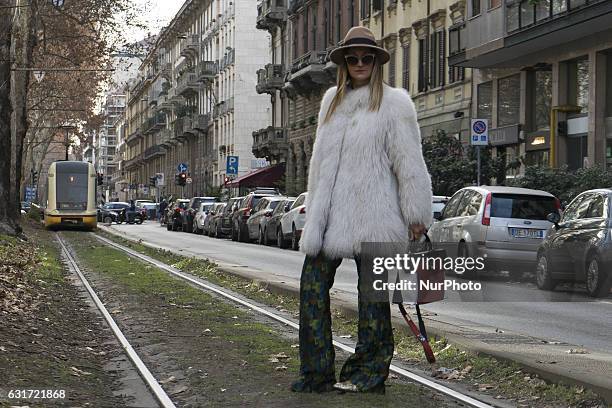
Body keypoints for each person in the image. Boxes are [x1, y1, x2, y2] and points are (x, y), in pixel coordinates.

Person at [291, 26, 433, 394]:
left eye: (365, 58)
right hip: (332, 216)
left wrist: (416, 215)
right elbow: (319, 165)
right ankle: (316, 370)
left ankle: (368, 372)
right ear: (343, 63)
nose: (358, 64)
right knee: (311, 287)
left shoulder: (395, 103)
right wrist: (314, 208)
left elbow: (409, 161)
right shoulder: (330, 102)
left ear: (376, 62)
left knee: (372, 301)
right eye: (352, 58)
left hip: (377, 218)